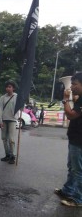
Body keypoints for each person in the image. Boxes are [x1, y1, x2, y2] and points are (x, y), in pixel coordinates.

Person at [54, 73, 82, 207]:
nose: (71, 87)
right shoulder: (80, 98)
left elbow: (71, 115)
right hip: (75, 138)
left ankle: (78, 199)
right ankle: (68, 190)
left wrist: (65, 100)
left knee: (78, 170)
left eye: (74, 84)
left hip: (79, 140)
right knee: (72, 167)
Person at [0, 80, 19, 164]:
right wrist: (0, 120)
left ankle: (12, 156)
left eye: (10, 87)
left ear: (13, 88)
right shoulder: (2, 97)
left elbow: (21, 107)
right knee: (4, 138)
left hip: (12, 120)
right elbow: (0, 110)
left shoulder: (17, 97)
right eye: (7, 87)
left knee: (11, 139)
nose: (8, 88)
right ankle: (7, 155)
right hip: (4, 120)